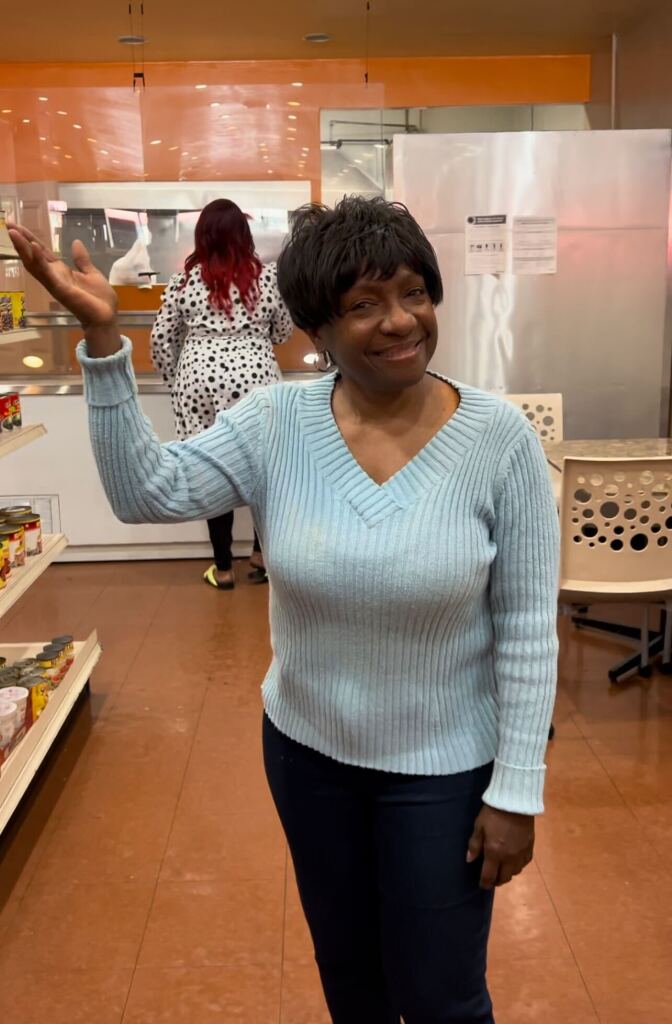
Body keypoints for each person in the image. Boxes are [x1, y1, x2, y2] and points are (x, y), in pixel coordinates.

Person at [8, 196, 559, 1024]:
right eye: (364, 304)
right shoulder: (276, 422)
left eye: (414, 293)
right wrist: (103, 341)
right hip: (310, 759)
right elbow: (145, 492)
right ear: (316, 329)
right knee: (350, 975)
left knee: (442, 994)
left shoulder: (499, 439)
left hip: (444, 768)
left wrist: (517, 791)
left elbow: (525, 630)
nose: (400, 321)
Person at [150, 198, 293, 589]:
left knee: (210, 465)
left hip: (198, 380)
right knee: (264, 465)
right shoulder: (267, 278)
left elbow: (161, 338)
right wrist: (254, 339)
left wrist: (175, 380)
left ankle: (224, 567)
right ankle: (262, 555)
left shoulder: (183, 281)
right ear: (245, 235)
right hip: (257, 378)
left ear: (203, 236)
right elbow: (283, 331)